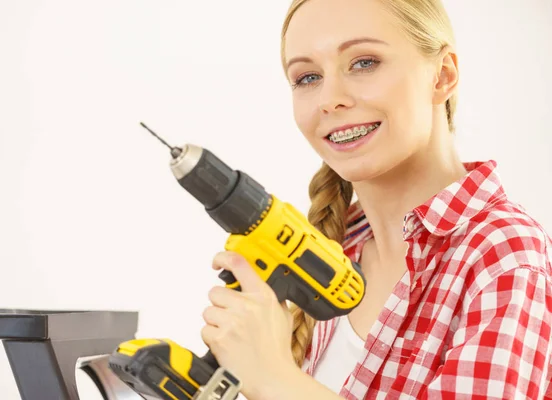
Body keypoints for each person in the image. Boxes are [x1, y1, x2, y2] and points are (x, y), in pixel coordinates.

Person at [199, 0, 552, 398]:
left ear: (443, 75)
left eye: (364, 62)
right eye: (308, 77)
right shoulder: (334, 247)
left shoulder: (503, 254)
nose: (328, 99)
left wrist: (274, 376)